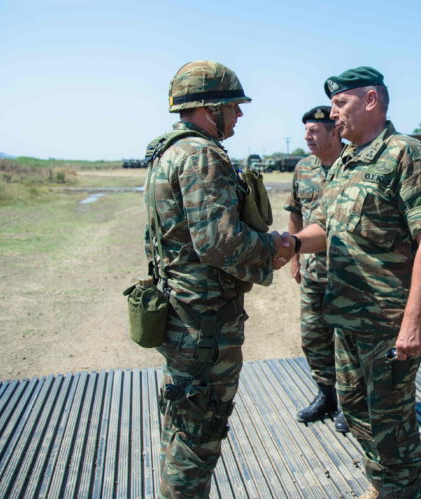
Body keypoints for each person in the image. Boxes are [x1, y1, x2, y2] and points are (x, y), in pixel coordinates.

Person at [292, 67, 421, 499]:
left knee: (391, 423)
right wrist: (289, 244)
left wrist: (412, 321)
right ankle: (382, 485)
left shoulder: (406, 155)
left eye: (340, 103)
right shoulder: (346, 160)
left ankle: (400, 491)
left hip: (387, 323)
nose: (333, 113)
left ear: (371, 100)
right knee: (356, 410)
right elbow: (324, 227)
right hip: (346, 318)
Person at [143, 60, 294, 498]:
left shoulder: (167, 151)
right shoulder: (202, 155)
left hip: (182, 315)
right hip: (204, 324)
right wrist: (273, 247)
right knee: (198, 436)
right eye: (233, 106)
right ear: (210, 109)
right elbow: (219, 244)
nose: (239, 114)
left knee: (183, 428)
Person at [284, 105, 349, 432]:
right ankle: (327, 395)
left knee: (347, 340)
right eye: (306, 131)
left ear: (334, 131)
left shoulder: (353, 164)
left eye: (314, 131)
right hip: (313, 270)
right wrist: (295, 258)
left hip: (348, 273)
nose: (307, 137)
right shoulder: (303, 168)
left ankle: (351, 403)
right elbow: (295, 212)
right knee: (313, 336)